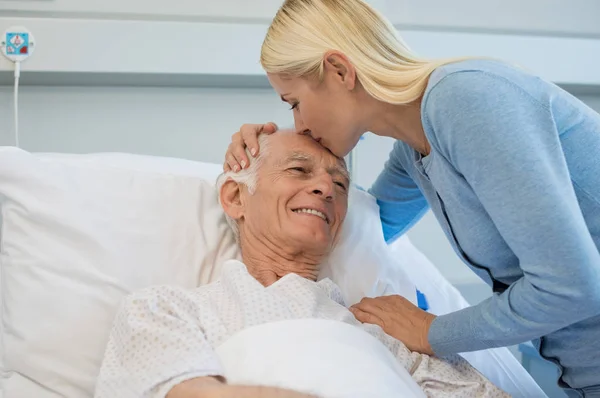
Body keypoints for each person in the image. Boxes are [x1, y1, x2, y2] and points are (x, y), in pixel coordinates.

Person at [223, 0, 600, 395]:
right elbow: (360, 227)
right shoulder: (414, 149)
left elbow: (572, 286)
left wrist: (431, 331)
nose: (299, 123)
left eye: (294, 103)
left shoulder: (466, 99)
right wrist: (262, 156)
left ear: (338, 71)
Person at [94, 132, 507, 398]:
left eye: (340, 184)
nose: (326, 188)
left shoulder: (386, 328)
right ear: (236, 199)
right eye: (297, 169)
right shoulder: (167, 310)